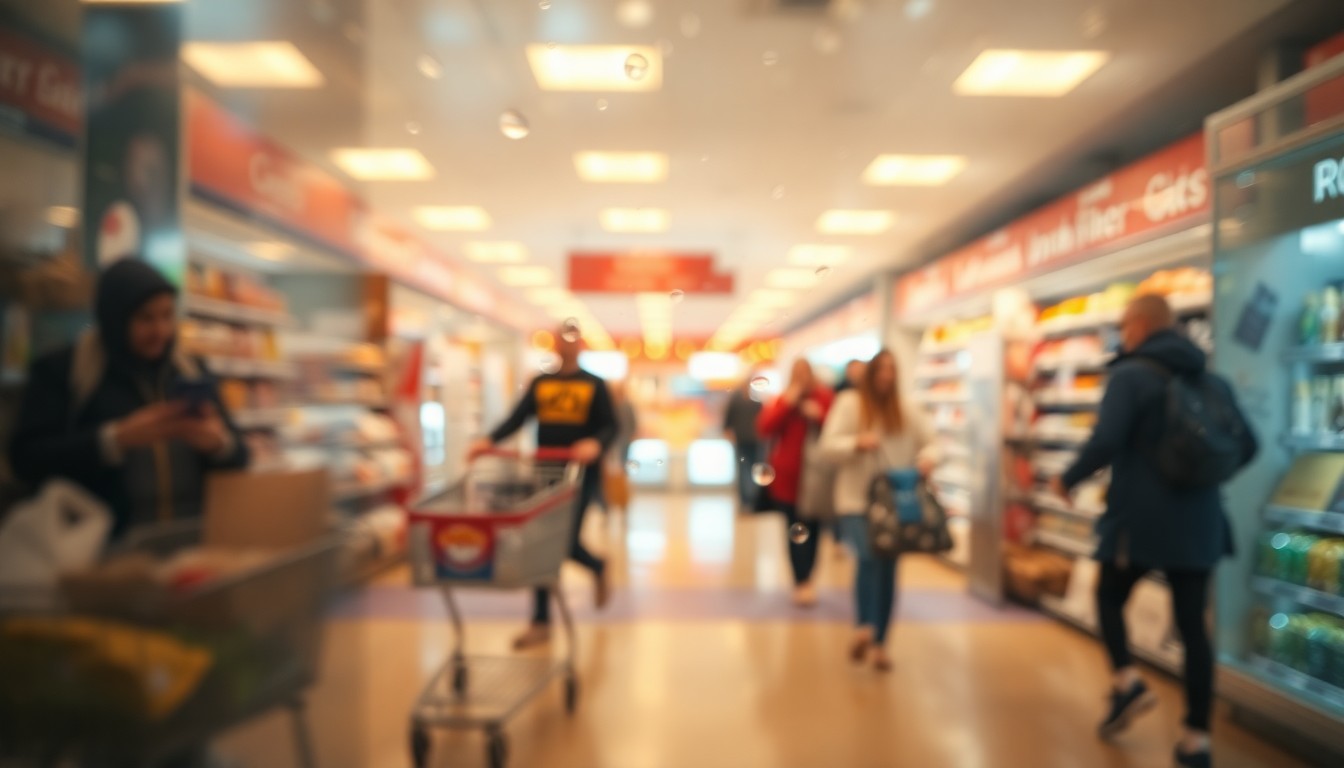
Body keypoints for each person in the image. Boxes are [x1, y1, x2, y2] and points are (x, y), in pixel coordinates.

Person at [1050, 294, 1257, 768]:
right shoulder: (1212, 381)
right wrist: (1200, 477)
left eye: (1124, 327)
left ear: (1140, 326)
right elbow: (1248, 445)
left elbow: (1106, 439)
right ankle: (1196, 739)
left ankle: (1127, 681)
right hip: (1201, 521)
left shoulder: (1130, 376)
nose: (1123, 336)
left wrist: (1068, 478)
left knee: (1108, 595)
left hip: (1139, 520)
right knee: (1193, 628)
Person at [9, 258, 249, 538]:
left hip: (193, 543)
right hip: (100, 551)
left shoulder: (191, 370)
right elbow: (25, 460)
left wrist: (218, 444)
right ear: (115, 318)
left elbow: (240, 456)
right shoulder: (65, 371)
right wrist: (115, 439)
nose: (161, 331)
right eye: (146, 318)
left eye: (167, 315)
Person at [471, 326, 617, 650]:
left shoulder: (595, 384)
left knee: (565, 542)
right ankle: (540, 621)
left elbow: (611, 425)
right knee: (541, 543)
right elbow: (518, 418)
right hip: (545, 473)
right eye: (561, 341)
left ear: (580, 345)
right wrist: (488, 440)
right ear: (554, 346)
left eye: (572, 342)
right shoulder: (541, 383)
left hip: (581, 475)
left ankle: (596, 566)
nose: (567, 347)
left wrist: (595, 443)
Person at [819, 349, 933, 672]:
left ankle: (880, 642)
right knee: (869, 558)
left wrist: (928, 460)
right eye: (881, 369)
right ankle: (865, 626)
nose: (886, 376)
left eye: (891, 369)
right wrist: (856, 443)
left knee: (888, 568)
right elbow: (828, 446)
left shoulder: (906, 409)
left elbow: (932, 443)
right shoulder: (849, 404)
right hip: (856, 500)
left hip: (895, 501)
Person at [757, 359, 833, 607]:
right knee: (794, 531)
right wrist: (788, 403)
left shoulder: (824, 398)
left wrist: (818, 415)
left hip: (817, 478)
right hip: (788, 480)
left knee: (815, 531)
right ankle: (801, 581)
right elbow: (764, 428)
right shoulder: (784, 399)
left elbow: (836, 429)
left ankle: (808, 577)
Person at [722, 372, 764, 512]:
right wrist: (728, 432)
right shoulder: (739, 401)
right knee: (744, 470)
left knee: (751, 470)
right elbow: (728, 419)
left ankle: (752, 500)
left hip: (753, 441)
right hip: (742, 440)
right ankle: (746, 500)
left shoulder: (755, 402)